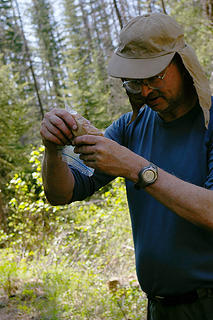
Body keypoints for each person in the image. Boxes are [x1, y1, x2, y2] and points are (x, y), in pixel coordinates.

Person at [40, 13, 213, 320]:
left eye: (154, 77)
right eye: (135, 82)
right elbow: (62, 193)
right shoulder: (128, 128)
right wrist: (53, 150)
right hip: (159, 308)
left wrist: (136, 168)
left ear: (182, 64)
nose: (145, 92)